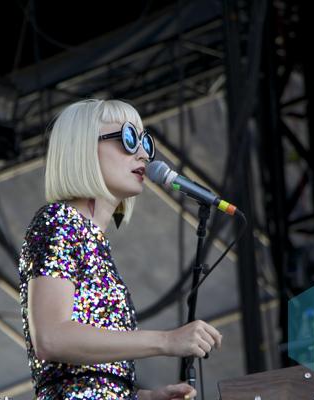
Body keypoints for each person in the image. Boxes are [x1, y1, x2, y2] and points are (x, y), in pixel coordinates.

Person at [19, 99, 222, 400]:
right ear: (84, 148)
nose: (143, 154)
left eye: (145, 142)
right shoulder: (58, 221)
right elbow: (51, 337)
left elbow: (89, 377)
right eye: (128, 139)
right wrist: (167, 341)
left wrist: (143, 397)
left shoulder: (95, 242)